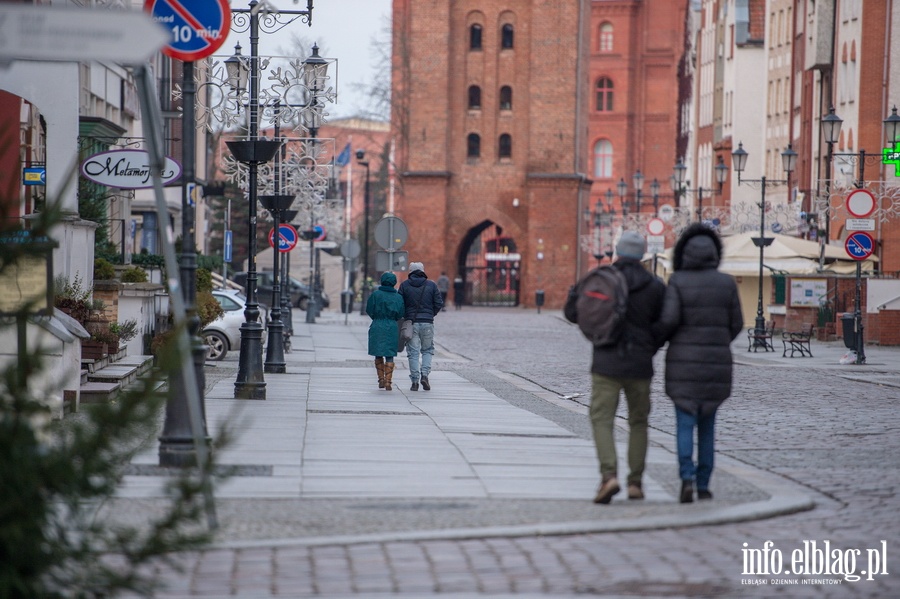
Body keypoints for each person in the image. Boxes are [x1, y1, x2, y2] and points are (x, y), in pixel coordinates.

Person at [572, 231, 666, 504]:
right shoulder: (655, 285)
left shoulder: (601, 279)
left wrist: (597, 332)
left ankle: (608, 475)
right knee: (639, 422)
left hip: (605, 362)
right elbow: (668, 321)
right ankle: (635, 483)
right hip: (640, 365)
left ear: (618, 252)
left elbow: (571, 311)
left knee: (601, 419)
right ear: (643, 254)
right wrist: (650, 344)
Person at [655, 223, 743, 504]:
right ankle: (704, 483)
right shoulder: (727, 283)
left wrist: (661, 340)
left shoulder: (678, 281)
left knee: (684, 424)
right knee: (708, 427)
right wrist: (719, 341)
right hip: (717, 364)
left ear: (684, 253)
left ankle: (686, 478)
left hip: (683, 364)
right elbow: (737, 324)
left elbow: (668, 320)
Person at [399, 262, 443, 391]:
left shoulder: (404, 285)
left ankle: (414, 381)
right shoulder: (431, 285)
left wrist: (406, 315)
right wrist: (431, 314)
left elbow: (400, 304)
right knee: (427, 350)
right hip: (427, 322)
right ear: (423, 271)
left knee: (413, 353)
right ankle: (425, 375)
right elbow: (439, 303)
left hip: (411, 323)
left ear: (410, 271)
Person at [366, 271, 406, 391]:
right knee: (390, 353)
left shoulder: (376, 295)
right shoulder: (398, 297)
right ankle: (388, 380)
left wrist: (376, 317)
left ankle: (380, 379)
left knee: (378, 352)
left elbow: (369, 309)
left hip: (378, 324)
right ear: (394, 283)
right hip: (392, 326)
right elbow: (401, 313)